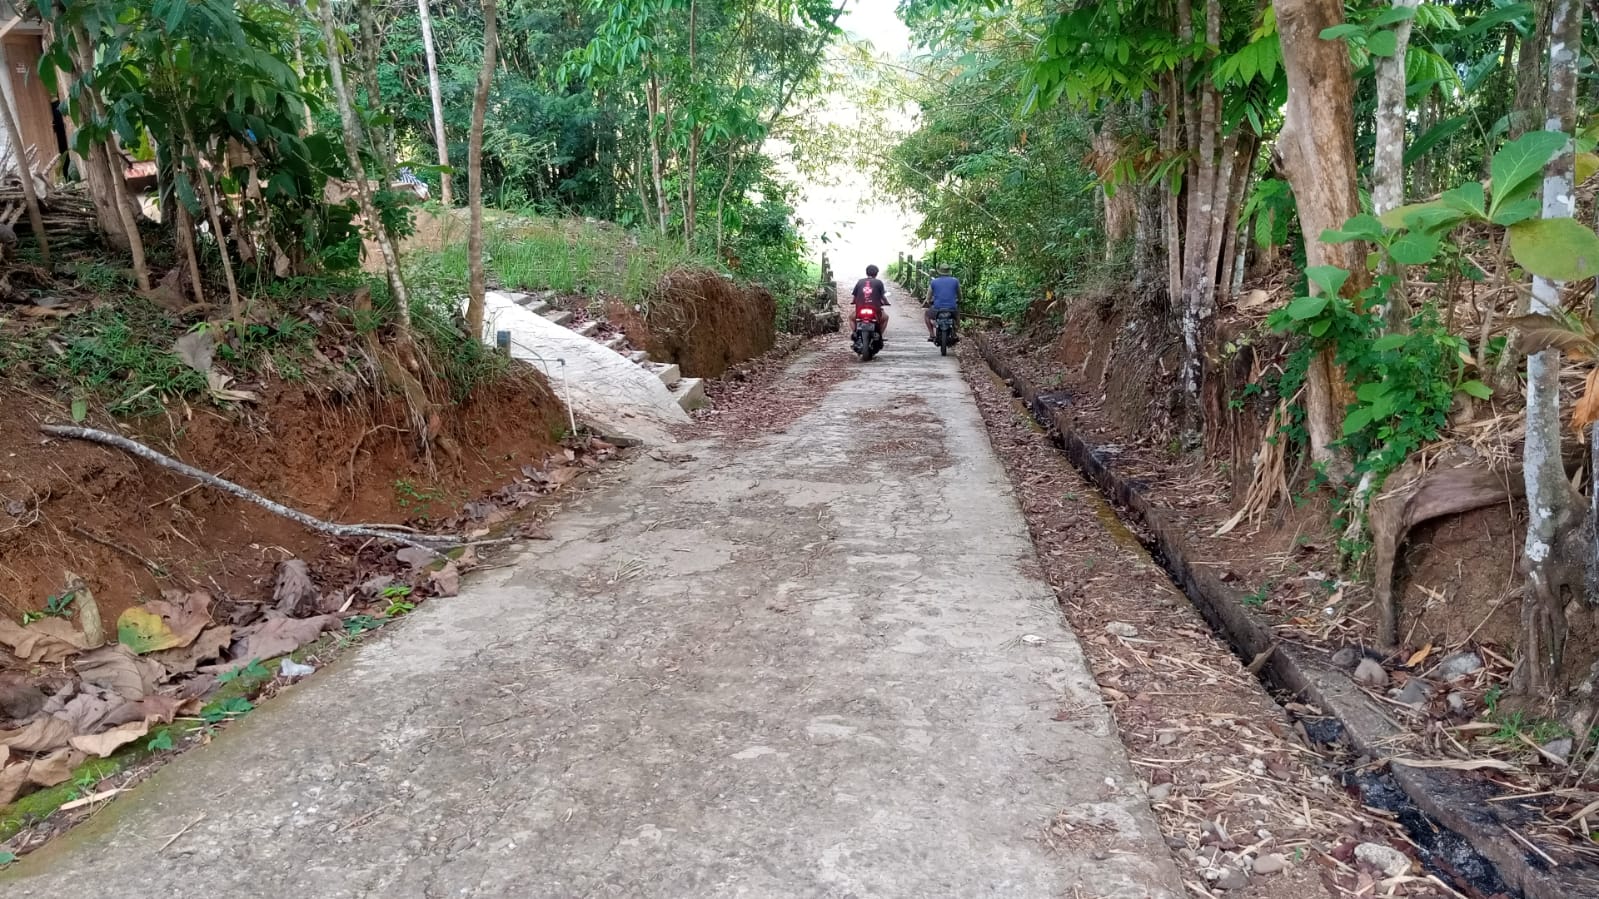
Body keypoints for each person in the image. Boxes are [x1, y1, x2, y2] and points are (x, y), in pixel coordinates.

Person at [850, 264, 890, 339]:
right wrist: (887, 303)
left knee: (851, 318)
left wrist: (853, 302)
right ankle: (880, 335)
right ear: (876, 274)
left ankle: (855, 333)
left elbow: (855, 296)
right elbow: (883, 296)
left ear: (866, 273)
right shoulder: (879, 282)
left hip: (861, 308)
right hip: (875, 308)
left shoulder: (860, 281)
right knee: (885, 318)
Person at [926, 265, 960, 340]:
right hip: (951, 307)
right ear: (949, 272)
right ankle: (955, 333)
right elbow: (959, 294)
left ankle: (932, 334)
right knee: (957, 316)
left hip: (937, 308)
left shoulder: (934, 282)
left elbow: (928, 296)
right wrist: (960, 300)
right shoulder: (955, 281)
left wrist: (928, 301)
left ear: (939, 272)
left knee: (927, 315)